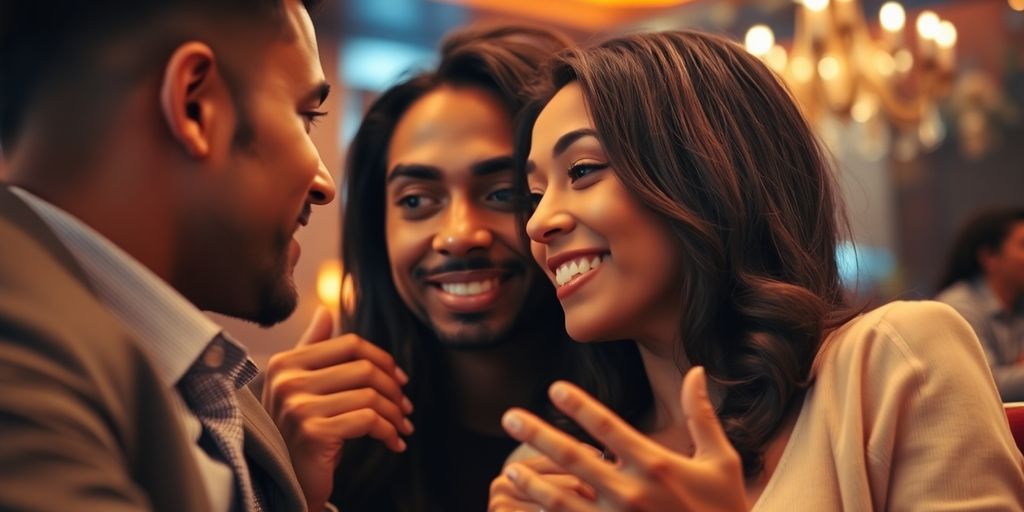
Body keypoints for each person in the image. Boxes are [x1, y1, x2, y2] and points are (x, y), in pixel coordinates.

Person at [489, 30, 1024, 511]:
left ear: (706, 173)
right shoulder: (550, 468)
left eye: (582, 171)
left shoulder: (894, 362)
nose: (538, 223)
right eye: (534, 196)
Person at [261, 25, 642, 512]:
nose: (459, 235)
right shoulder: (318, 441)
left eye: (503, 193)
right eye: (417, 200)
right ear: (378, 230)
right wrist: (286, 489)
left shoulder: (658, 439)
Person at [0, 1, 337, 511]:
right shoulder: (20, 360)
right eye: (304, 116)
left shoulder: (208, 381)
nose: (324, 184)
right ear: (194, 105)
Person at [936, 208, 1024, 401]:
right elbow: (984, 383)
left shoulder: (1017, 303)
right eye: (1023, 245)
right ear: (989, 257)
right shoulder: (957, 307)